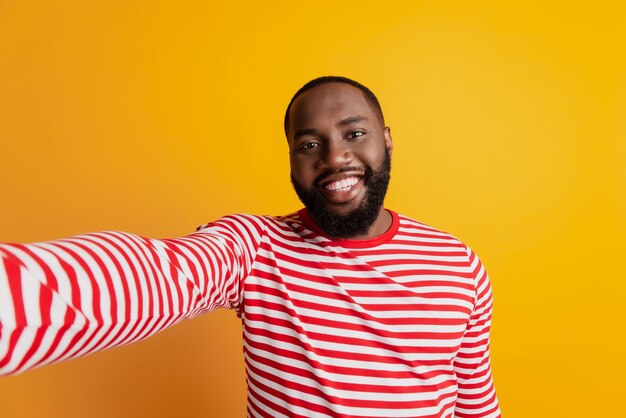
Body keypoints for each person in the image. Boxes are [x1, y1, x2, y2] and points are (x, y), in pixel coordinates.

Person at [0, 76, 500, 417]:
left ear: (386, 140)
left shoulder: (459, 265)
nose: (334, 157)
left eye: (354, 132)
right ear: (290, 160)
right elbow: (161, 275)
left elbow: (475, 404)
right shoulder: (256, 247)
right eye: (309, 144)